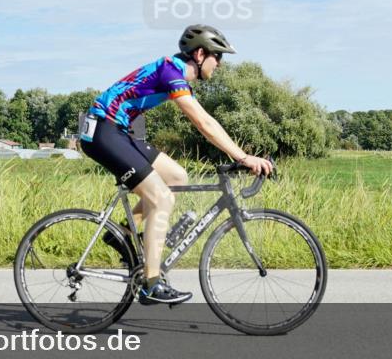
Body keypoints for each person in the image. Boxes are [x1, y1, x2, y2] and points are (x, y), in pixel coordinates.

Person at [80, 24, 273, 305]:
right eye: (217, 57)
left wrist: (239, 154)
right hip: (102, 132)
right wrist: (243, 157)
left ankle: (121, 234)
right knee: (161, 200)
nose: (219, 64)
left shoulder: (174, 73)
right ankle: (151, 284)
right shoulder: (171, 72)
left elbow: (206, 119)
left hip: (116, 130)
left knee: (176, 177)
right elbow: (203, 122)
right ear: (199, 54)